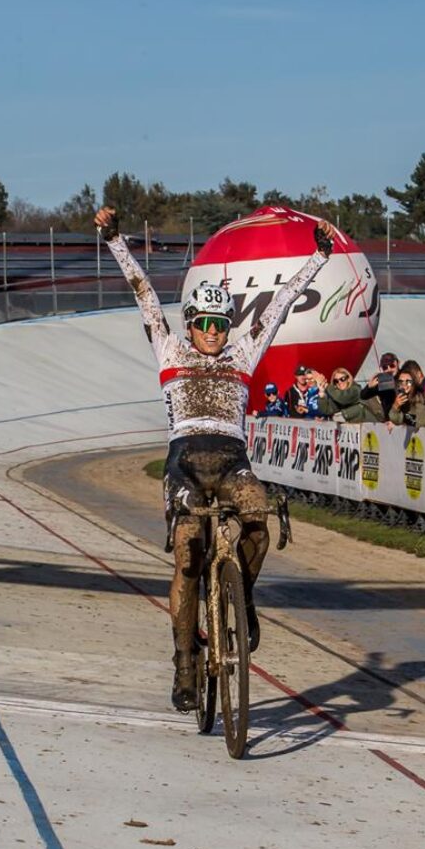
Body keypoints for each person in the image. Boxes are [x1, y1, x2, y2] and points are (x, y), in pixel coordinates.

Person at [95, 204, 335, 712]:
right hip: (184, 459)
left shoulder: (244, 352)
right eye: (203, 322)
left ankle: (242, 599)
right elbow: (143, 294)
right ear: (190, 323)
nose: (212, 331)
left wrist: (319, 255)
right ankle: (185, 662)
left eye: (220, 322)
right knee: (187, 553)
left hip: (231, 458)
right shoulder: (170, 349)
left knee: (259, 516)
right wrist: (115, 239)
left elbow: (281, 303)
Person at [389, 361, 425, 429]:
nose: (404, 385)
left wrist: (405, 421)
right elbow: (397, 420)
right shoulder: (399, 400)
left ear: (413, 384)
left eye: (408, 382)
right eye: (401, 382)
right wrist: (395, 407)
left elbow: (423, 422)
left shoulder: (422, 398)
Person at [360, 351, 399, 420]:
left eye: (392, 366)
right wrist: (369, 387)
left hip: (407, 420)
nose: (389, 369)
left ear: (398, 363)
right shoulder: (383, 380)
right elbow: (363, 396)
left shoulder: (406, 377)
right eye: (385, 368)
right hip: (390, 421)